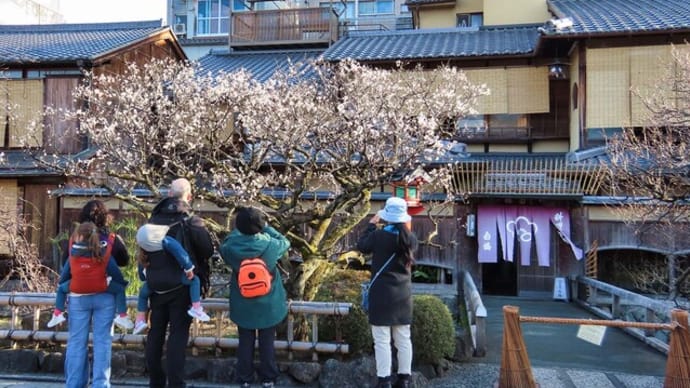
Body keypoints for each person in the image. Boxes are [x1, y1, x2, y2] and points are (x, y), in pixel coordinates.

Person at [144, 178, 214, 388]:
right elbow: (207, 250)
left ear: (168, 194)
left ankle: (155, 381)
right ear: (189, 196)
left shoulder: (153, 219)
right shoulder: (191, 221)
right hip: (183, 284)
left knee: (155, 331)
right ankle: (176, 382)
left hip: (156, 284)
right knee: (178, 334)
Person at [219, 207, 290, 388]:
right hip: (269, 302)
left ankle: (244, 378)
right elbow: (285, 241)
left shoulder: (231, 248)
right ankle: (268, 378)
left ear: (239, 226)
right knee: (267, 341)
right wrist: (266, 228)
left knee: (245, 341)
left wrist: (239, 229)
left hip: (243, 301)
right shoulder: (271, 246)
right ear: (260, 225)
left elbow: (225, 242)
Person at [357, 197, 418, 388]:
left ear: (387, 216)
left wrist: (371, 225)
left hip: (381, 295)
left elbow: (362, 246)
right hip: (403, 296)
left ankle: (384, 381)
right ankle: (404, 379)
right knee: (403, 339)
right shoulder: (410, 238)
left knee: (382, 340)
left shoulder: (379, 236)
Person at [62, 221, 121, 388]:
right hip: (104, 299)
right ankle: (100, 384)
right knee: (102, 341)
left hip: (78, 298)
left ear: (79, 235)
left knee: (76, 342)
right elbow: (117, 275)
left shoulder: (74, 252)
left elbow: (64, 276)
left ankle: (73, 383)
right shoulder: (104, 251)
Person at [47, 228, 134, 330]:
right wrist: (122, 283)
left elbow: (64, 275)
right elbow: (116, 273)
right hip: (100, 285)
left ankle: (57, 313)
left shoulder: (73, 254)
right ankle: (122, 315)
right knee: (119, 289)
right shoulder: (103, 253)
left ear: (79, 237)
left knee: (61, 289)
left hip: (76, 286)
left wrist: (63, 283)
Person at [133, 223, 210, 335]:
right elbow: (181, 253)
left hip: (154, 285)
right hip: (175, 281)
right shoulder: (166, 241)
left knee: (142, 294)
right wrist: (188, 268)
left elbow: (141, 272)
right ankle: (196, 307)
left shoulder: (144, 251)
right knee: (195, 281)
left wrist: (146, 279)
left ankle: (140, 320)